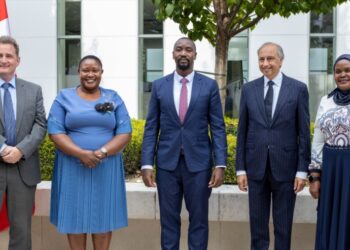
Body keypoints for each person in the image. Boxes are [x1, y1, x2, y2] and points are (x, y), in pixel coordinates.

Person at [141, 37, 227, 250]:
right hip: (167, 165)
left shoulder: (209, 86)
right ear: (172, 54)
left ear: (195, 55)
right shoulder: (160, 85)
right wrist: (146, 164)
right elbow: (151, 126)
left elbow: (217, 127)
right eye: (179, 49)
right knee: (168, 222)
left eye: (188, 49)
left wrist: (220, 164)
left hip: (199, 166)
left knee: (199, 222)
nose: (183, 53)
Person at [48, 55, 132, 250]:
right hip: (72, 166)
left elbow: (125, 132)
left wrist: (100, 152)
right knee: (74, 219)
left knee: (103, 219)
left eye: (95, 70)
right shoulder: (64, 97)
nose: (90, 74)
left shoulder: (113, 97)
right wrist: (81, 154)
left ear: (101, 73)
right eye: (86, 70)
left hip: (106, 167)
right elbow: (55, 131)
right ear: (79, 72)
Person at [236, 42, 310, 250]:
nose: (266, 63)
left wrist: (302, 171)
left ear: (281, 61)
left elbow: (303, 133)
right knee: (257, 229)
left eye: (270, 59)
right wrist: (240, 169)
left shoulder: (297, 89)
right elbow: (243, 131)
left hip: (286, 169)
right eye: (262, 59)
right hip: (255, 168)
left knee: (283, 228)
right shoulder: (249, 90)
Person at [0, 35, 47, 250]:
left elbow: (40, 125)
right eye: (0, 55)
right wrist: (2, 147)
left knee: (21, 231)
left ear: (18, 60)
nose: (4, 59)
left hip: (23, 169)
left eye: (9, 55)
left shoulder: (34, 90)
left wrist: (21, 149)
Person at [309, 54, 350, 250]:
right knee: (330, 216)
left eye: (347, 70)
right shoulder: (326, 101)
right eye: (338, 71)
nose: (343, 74)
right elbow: (317, 140)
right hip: (331, 170)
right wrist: (315, 178)